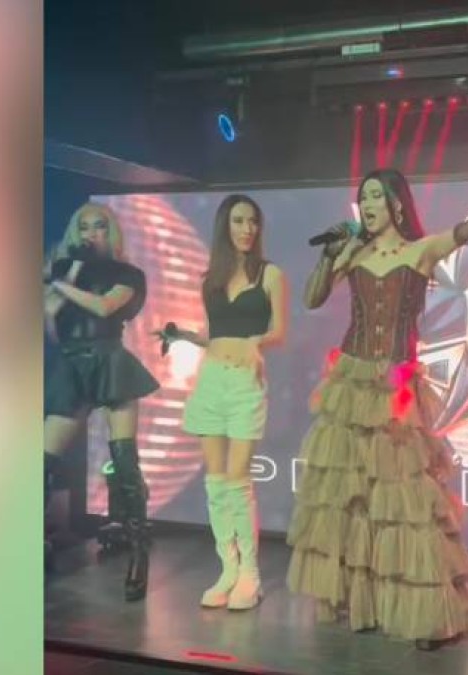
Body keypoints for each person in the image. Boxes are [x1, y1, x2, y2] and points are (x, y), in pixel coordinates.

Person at [286, 169, 468, 650]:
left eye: (375, 197)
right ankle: (360, 602)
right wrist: (331, 254)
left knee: (405, 503)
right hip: (353, 381)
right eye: (362, 197)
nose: (367, 204)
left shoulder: (420, 251)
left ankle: (424, 612)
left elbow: (463, 234)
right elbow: (312, 298)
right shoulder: (354, 251)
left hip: (396, 386)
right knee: (355, 498)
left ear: (396, 205)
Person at [157, 194, 288, 610]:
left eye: (253, 221)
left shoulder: (270, 274)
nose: (247, 228)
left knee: (237, 480)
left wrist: (255, 342)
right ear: (224, 226)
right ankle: (228, 569)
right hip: (211, 379)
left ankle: (250, 574)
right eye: (238, 221)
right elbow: (215, 334)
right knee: (215, 482)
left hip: (246, 381)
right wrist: (183, 336)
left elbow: (279, 331)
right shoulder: (209, 279)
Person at [44, 202, 159, 601]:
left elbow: (105, 305)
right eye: (84, 227)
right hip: (72, 363)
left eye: (99, 227)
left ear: (111, 232)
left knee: (125, 460)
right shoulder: (65, 270)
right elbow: (49, 317)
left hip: (109, 361)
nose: (91, 233)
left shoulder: (128, 274)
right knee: (41, 460)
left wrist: (60, 284)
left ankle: (139, 556)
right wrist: (68, 272)